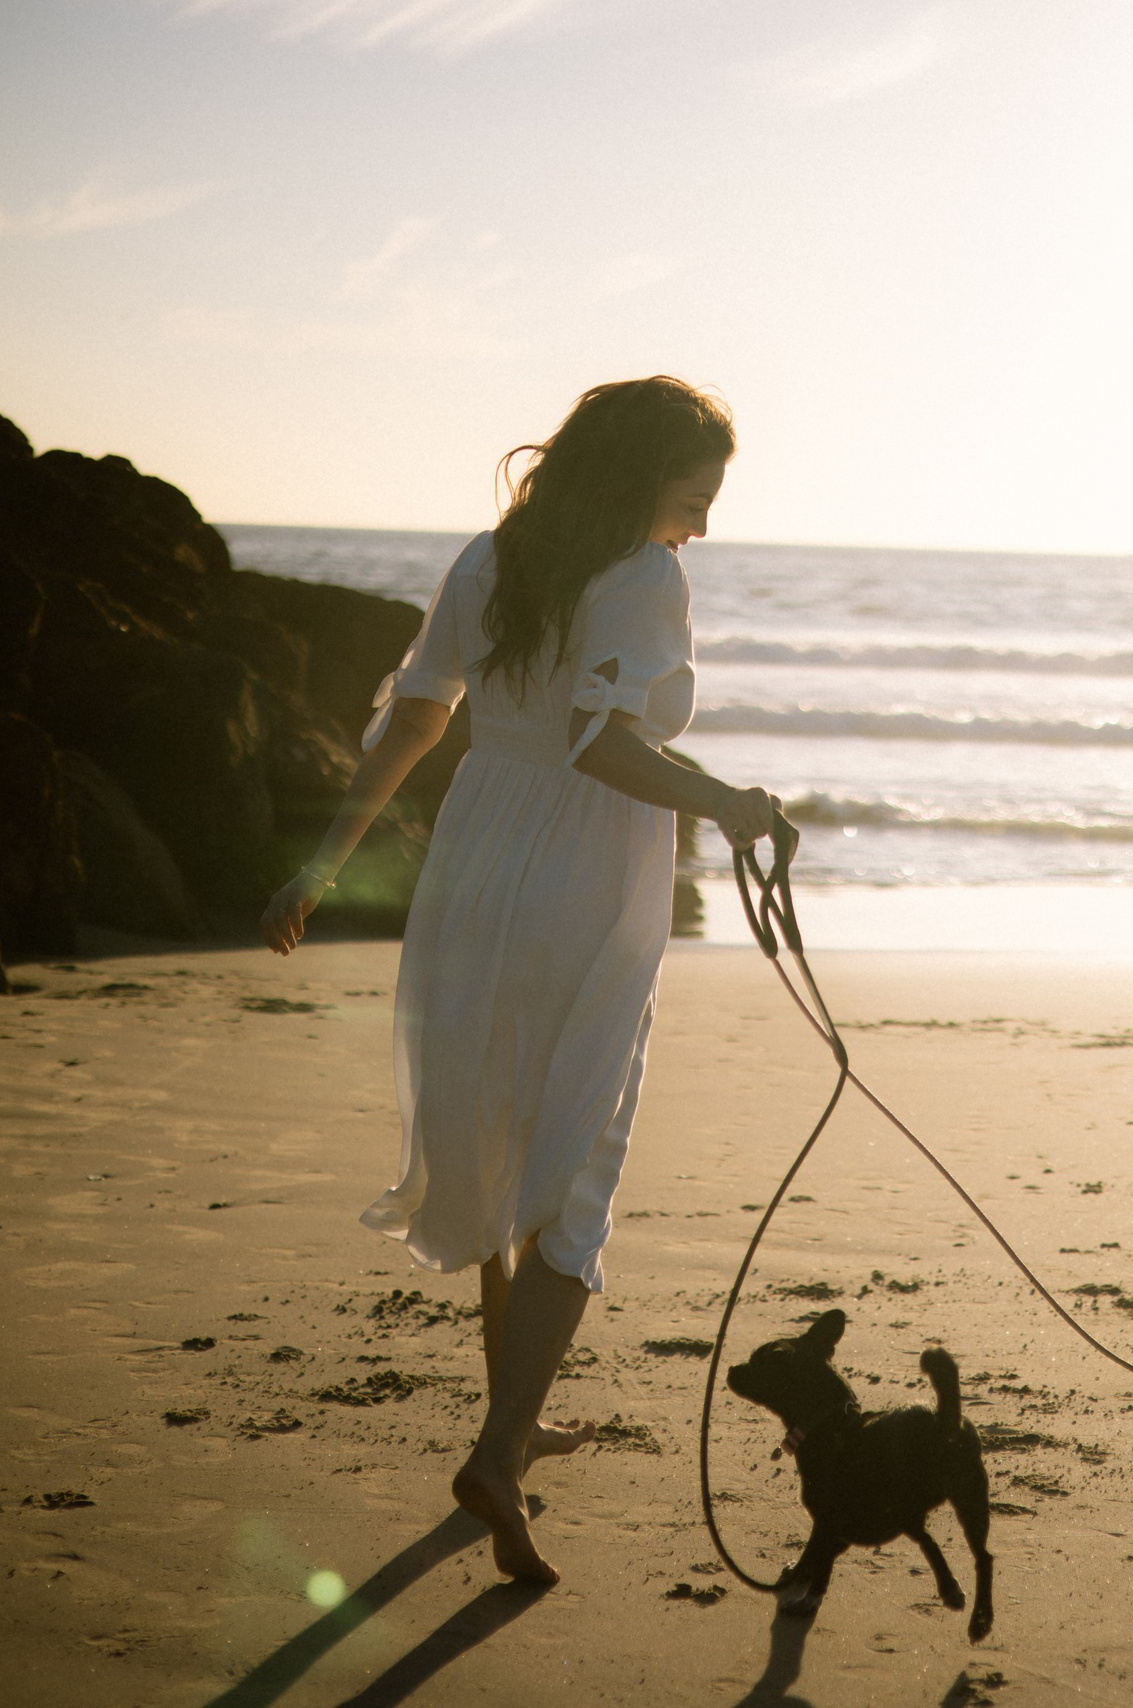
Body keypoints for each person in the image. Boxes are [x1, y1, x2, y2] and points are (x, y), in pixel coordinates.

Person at [260, 377, 777, 1583]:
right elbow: (604, 743)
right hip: (583, 882)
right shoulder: (644, 578)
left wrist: (319, 866)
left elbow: (415, 719)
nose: (699, 527)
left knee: (498, 1141)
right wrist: (736, 806)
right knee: (578, 1167)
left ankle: (516, 1415)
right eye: (693, 499)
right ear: (641, 477)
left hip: (476, 868)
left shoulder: (491, 560)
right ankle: (499, 1451)